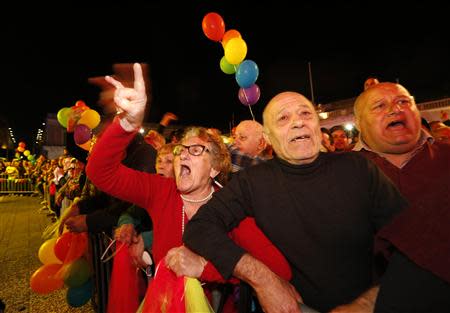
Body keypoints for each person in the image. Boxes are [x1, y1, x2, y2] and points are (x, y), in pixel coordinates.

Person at [86, 63, 292, 312]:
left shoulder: (231, 206)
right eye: (180, 150)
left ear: (215, 167)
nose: (182, 155)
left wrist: (207, 268)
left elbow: (278, 269)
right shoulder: (161, 191)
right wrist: (127, 124)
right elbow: (100, 172)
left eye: (195, 150)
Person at [183, 91, 408, 313]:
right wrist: (263, 279)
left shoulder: (358, 168)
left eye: (305, 114)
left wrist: (367, 304)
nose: (298, 122)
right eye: (283, 118)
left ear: (317, 126)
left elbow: (411, 244)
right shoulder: (252, 182)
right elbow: (200, 227)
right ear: (268, 138)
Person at [353, 82, 450, 312]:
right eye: (379, 105)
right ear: (358, 123)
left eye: (403, 102)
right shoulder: (339, 172)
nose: (395, 110)